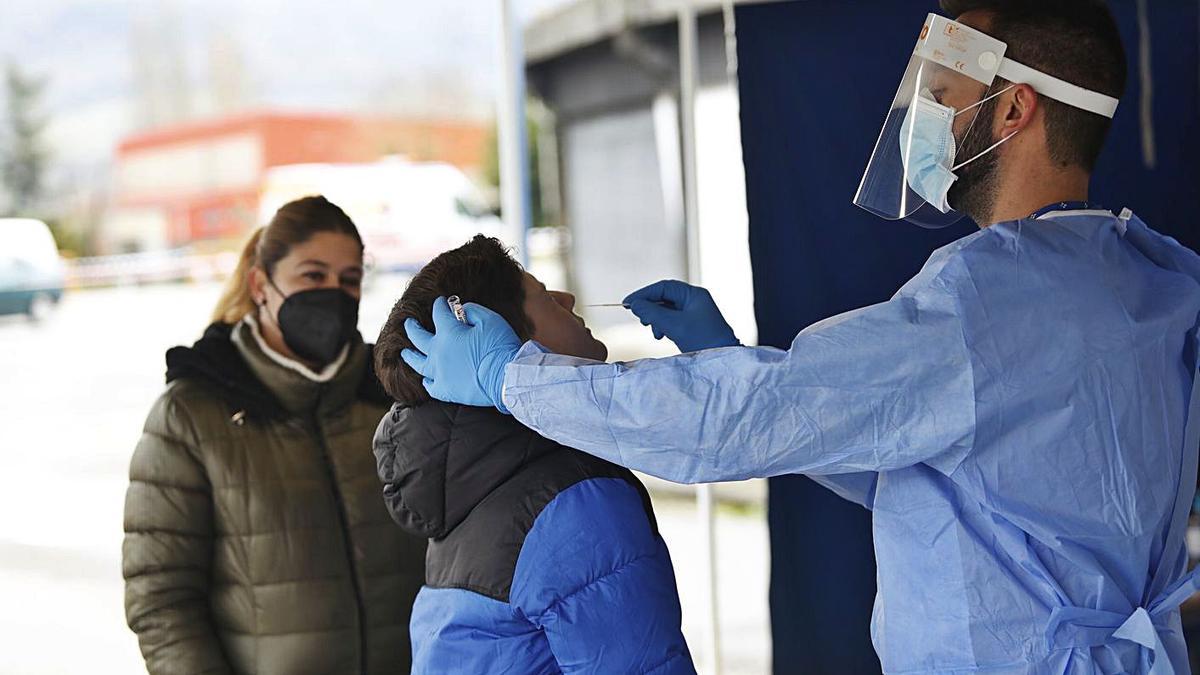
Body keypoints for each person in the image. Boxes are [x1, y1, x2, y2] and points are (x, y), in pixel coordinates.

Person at [399, 2, 1200, 674]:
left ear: (1014, 109)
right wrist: (729, 363)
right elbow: (938, 468)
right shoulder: (1146, 278)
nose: (921, 117)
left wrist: (517, 380)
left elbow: (744, 420)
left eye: (943, 93)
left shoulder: (983, 304)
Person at [123, 196, 427, 675]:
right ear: (260, 284)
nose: (334, 292)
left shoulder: (393, 395)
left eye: (349, 280)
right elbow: (161, 598)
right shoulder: (192, 413)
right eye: (312, 275)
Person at [372, 235, 694, 674]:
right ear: (501, 338)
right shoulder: (576, 502)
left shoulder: (469, 488)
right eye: (543, 295)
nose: (568, 297)